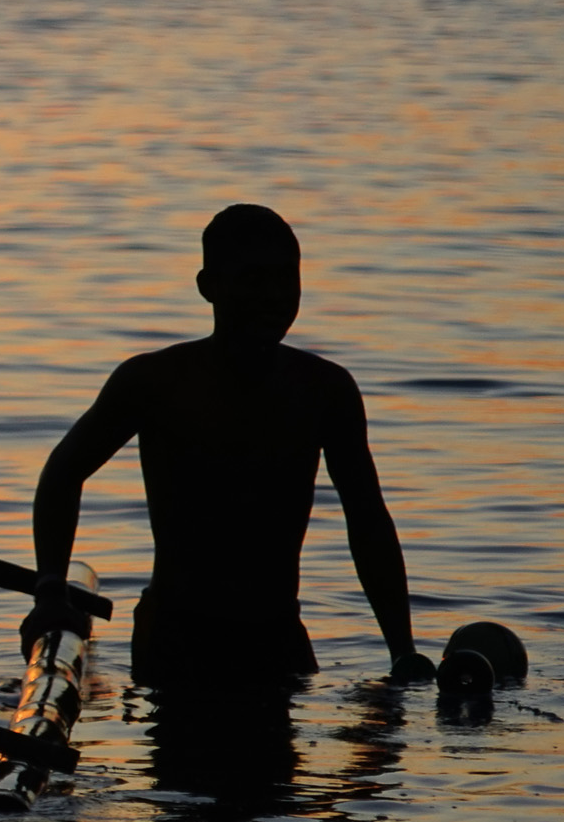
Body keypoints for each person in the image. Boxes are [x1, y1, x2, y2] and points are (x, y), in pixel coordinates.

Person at [22, 204, 435, 689]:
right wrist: (50, 590)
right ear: (208, 286)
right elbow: (64, 472)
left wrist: (402, 651)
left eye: (286, 278)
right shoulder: (155, 381)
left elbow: (367, 520)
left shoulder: (325, 390)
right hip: (175, 639)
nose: (273, 296)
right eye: (253, 279)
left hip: (278, 637)